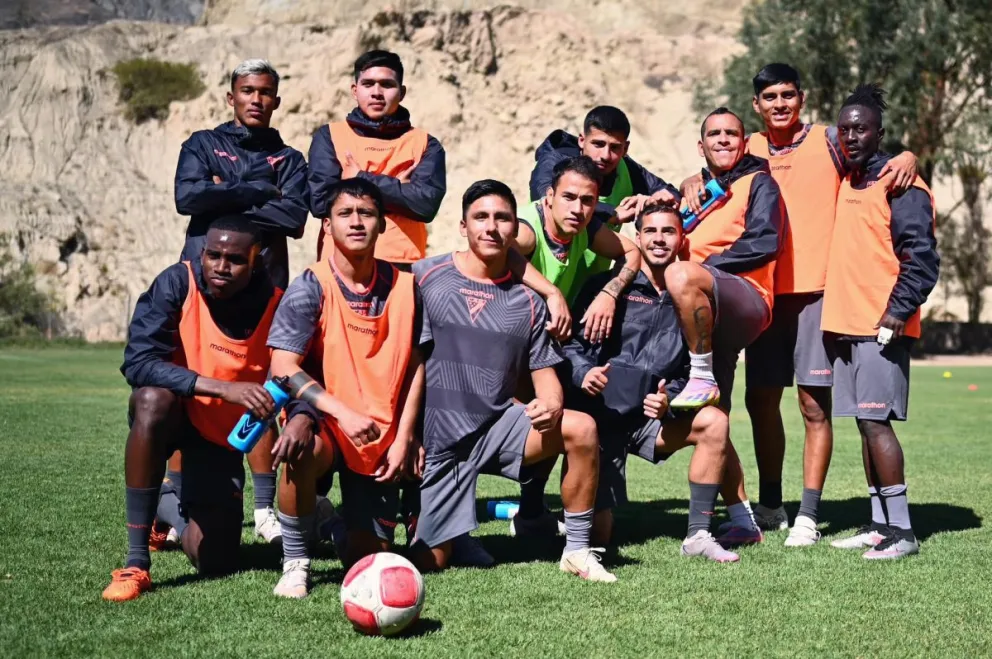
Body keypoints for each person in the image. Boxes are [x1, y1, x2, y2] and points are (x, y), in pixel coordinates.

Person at [680, 64, 918, 543]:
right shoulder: (749, 148)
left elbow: (869, 151)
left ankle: (809, 515)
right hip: (765, 294)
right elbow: (716, 172)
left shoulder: (829, 141)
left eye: (788, 95)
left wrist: (908, 154)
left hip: (818, 296)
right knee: (760, 400)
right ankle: (771, 506)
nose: (780, 104)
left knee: (813, 405)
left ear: (802, 99)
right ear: (757, 106)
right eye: (770, 97)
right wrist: (692, 178)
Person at [410, 180, 616, 583]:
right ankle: (452, 532)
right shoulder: (423, 278)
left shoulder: (528, 300)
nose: (491, 227)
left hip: (497, 429)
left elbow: (545, 375)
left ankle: (576, 551)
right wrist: (407, 433)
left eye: (502, 218)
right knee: (430, 561)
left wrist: (552, 403)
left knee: (581, 427)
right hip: (437, 441)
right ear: (463, 226)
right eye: (481, 218)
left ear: (514, 228)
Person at [563, 203, 762, 561]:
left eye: (668, 231)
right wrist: (584, 374)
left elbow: (694, 370)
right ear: (636, 238)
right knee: (599, 538)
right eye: (650, 231)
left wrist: (668, 399)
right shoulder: (605, 287)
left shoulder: (690, 298)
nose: (658, 239)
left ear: (681, 239)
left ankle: (698, 535)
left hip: (650, 423)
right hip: (600, 421)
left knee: (714, 421)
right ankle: (551, 520)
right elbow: (571, 347)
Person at [103, 217, 283, 601]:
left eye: (234, 259)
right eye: (213, 255)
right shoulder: (175, 282)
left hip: (217, 436)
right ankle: (136, 562)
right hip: (172, 416)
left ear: (257, 262)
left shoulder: (276, 303)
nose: (220, 266)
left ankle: (167, 506)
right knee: (152, 400)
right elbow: (137, 362)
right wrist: (223, 389)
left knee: (214, 559)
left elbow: (289, 375)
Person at [265, 179, 426, 598]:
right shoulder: (310, 284)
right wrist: (341, 413)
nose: (356, 222)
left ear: (383, 224)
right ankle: (296, 561)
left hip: (380, 435)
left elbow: (416, 366)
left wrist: (405, 436)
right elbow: (282, 365)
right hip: (327, 422)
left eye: (367, 214)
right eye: (345, 214)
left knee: (368, 558)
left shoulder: (408, 287)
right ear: (327, 226)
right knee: (300, 448)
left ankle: (329, 522)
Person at [173, 59, 309, 542]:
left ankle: (266, 508)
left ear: (277, 99)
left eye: (265, 92)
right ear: (231, 96)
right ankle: (173, 502)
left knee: (265, 390)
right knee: (193, 386)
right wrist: (253, 191)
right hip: (202, 287)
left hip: (265, 290)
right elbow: (188, 199)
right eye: (247, 91)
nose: (256, 99)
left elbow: (294, 217)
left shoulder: (290, 159)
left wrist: (222, 194)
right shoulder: (202, 144)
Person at [822, 84, 938, 560]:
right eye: (845, 128)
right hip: (846, 326)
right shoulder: (849, 179)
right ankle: (879, 526)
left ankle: (904, 534)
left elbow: (922, 260)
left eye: (861, 128)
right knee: (864, 425)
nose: (851, 136)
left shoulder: (901, 182)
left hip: (879, 326)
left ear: (879, 133)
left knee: (877, 424)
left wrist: (894, 312)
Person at [665, 108, 784, 412]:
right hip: (699, 303)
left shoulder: (760, 183)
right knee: (711, 419)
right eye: (714, 134)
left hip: (745, 294)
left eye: (731, 134)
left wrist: (704, 269)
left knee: (681, 275)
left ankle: (701, 374)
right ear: (701, 146)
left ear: (744, 143)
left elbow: (765, 241)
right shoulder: (693, 192)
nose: (723, 140)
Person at [308, 50, 446, 266]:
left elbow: (425, 205)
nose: (377, 92)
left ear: (402, 92)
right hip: (339, 264)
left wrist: (359, 177)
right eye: (368, 84)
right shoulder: (330, 136)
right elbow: (319, 202)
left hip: (403, 264)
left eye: (387, 85)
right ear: (355, 90)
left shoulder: (426, 144)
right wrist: (396, 188)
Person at [530, 106, 678, 278]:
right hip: (538, 278)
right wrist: (612, 213)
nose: (605, 155)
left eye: (615, 147)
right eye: (598, 144)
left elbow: (669, 191)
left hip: (588, 285)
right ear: (581, 140)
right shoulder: (554, 162)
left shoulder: (626, 168)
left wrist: (659, 198)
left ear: (625, 149)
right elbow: (544, 198)